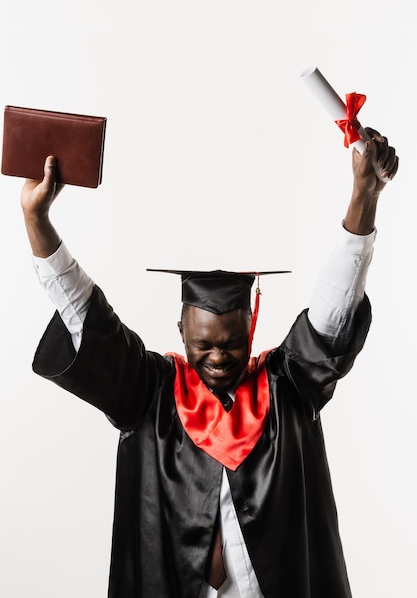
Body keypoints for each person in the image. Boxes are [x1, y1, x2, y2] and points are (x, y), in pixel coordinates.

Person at [21, 128, 398, 598]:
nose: (218, 356)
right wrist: (36, 219)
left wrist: (364, 196)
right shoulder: (149, 393)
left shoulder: (288, 388)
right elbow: (87, 315)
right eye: (204, 344)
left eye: (232, 343)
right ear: (181, 331)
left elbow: (334, 309)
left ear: (251, 328)